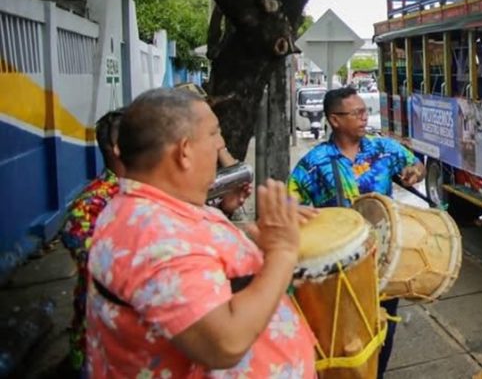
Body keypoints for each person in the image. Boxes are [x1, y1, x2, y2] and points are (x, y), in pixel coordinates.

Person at [85, 88, 317, 378]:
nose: (220, 143)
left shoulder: (157, 208)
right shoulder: (155, 235)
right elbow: (225, 344)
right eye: (214, 133)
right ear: (184, 151)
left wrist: (259, 241)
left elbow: (200, 264)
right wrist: (282, 251)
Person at [288, 86, 425, 378]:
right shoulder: (314, 163)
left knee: (383, 330)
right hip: (338, 268)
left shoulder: (382, 149)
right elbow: (290, 206)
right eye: (357, 113)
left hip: (382, 260)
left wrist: (415, 171)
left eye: (365, 111)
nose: (365, 117)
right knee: (345, 339)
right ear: (335, 120)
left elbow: (415, 164)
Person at [60, 109, 123, 373]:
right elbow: (104, 270)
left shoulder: (152, 192)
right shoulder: (91, 205)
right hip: (101, 350)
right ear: (118, 148)